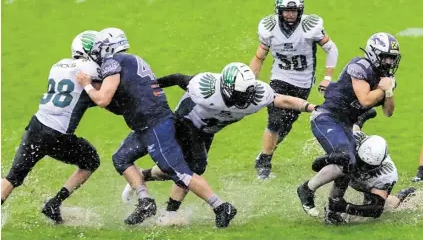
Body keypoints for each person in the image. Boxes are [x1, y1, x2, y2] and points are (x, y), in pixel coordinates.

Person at [76, 29, 237, 228]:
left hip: (154, 124)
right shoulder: (128, 60)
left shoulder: (113, 62)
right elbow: (121, 103)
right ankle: (146, 203)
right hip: (145, 124)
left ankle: (221, 206)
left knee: (179, 172)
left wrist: (86, 85)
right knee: (121, 158)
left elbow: (103, 99)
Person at [120, 62, 317, 223]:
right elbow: (178, 78)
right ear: (226, 87)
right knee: (193, 167)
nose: (244, 99)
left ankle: (147, 179)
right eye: (239, 95)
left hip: (206, 132)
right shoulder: (205, 87)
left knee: (190, 169)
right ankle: (171, 211)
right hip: (185, 122)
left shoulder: (257, 94)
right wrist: (148, 88)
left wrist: (310, 107)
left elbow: (282, 100)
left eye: (246, 94)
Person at [1, 31, 102, 224]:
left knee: (12, 179)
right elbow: (103, 95)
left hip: (36, 126)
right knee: (91, 160)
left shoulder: (59, 64)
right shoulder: (89, 69)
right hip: (56, 134)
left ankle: (51, 205)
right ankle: (54, 203)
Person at [296, 32, 400, 216]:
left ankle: (334, 207)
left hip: (344, 123)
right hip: (327, 117)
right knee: (346, 159)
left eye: (392, 59)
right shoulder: (359, 67)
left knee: (349, 165)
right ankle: (307, 189)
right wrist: (383, 88)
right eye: (386, 58)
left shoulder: (386, 80)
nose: (389, 63)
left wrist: (389, 92)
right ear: (374, 53)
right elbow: (366, 100)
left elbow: (389, 112)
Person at [252, 0, 339, 180]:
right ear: (279, 10)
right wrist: (251, 79)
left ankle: (266, 153)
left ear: (300, 10)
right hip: (279, 78)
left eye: (294, 10)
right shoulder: (269, 27)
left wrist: (327, 77)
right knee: (274, 120)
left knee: (285, 126)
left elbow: (331, 49)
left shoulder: (311, 26)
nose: (290, 14)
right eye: (286, 10)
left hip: (302, 82)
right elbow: (260, 56)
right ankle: (265, 162)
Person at [322, 130, 416, 224]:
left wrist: (346, 207)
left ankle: (401, 196)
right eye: (362, 163)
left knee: (383, 206)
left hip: (370, 185)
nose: (363, 169)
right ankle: (333, 206)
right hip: (351, 170)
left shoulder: (386, 175)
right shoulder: (352, 140)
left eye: (368, 166)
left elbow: (376, 210)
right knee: (343, 169)